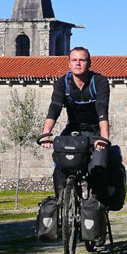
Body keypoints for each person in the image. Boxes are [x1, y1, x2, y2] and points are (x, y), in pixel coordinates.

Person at [39, 46, 110, 197]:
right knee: (60, 164)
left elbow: (102, 110)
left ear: (89, 63)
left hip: (95, 131)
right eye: (74, 60)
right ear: (69, 64)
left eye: (82, 60)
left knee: (98, 166)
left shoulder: (99, 81)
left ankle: (97, 203)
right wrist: (46, 133)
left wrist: (104, 138)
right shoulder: (62, 83)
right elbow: (55, 108)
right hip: (73, 130)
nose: (78, 63)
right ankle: (61, 202)